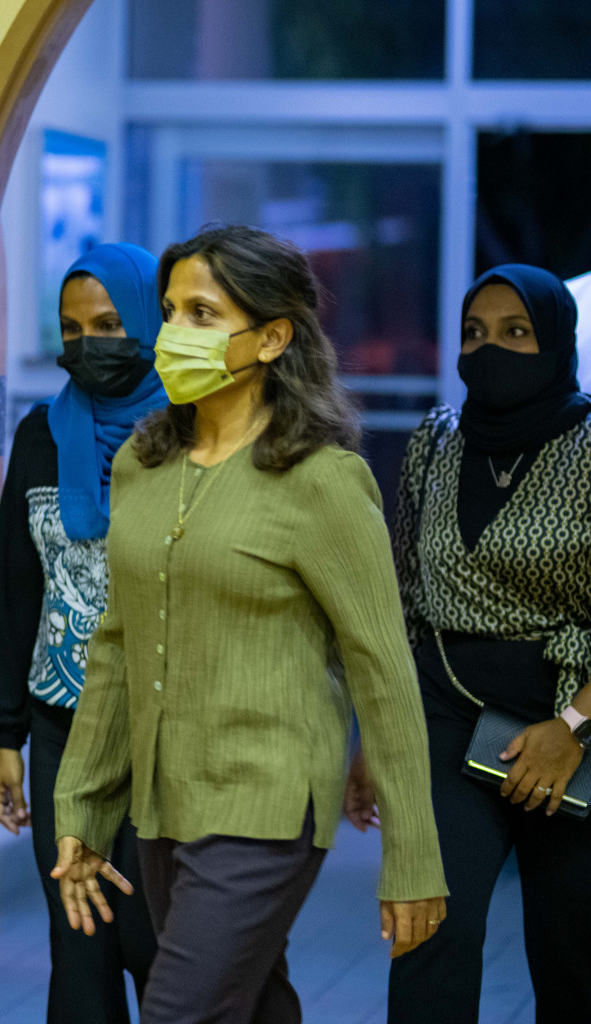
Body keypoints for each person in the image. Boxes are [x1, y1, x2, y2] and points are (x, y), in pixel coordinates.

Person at [49, 224, 448, 1024]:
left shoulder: (322, 480)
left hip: (267, 800)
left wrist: (414, 860)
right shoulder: (141, 464)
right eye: (168, 311)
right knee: (251, 1005)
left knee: (179, 1011)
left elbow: (383, 669)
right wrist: (83, 807)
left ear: (272, 337)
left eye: (202, 313)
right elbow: (118, 647)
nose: (173, 334)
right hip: (165, 800)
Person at [368, 264, 591, 1024]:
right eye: (474, 333)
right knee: (429, 930)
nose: (488, 349)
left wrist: (572, 729)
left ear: (556, 343)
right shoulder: (437, 439)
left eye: (515, 333)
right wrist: (379, 736)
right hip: (446, 715)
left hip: (575, 731)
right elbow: (403, 595)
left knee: (572, 955)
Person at [0, 243, 165, 1023]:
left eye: (112, 323)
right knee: (79, 945)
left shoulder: (191, 440)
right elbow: (15, 589)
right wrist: (5, 738)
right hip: (61, 723)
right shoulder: (40, 436)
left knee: (157, 945)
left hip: (164, 731)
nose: (91, 344)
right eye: (73, 328)